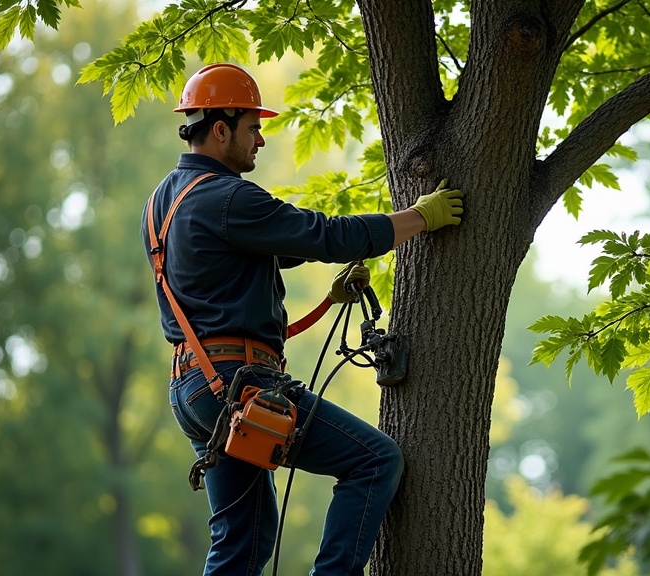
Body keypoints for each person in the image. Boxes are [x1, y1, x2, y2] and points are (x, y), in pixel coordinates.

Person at [142, 62, 464, 576]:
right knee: (374, 461)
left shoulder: (164, 201)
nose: (261, 141)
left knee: (243, 541)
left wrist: (329, 299)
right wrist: (419, 218)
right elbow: (323, 236)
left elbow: (263, 255)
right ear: (220, 128)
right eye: (253, 127)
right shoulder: (228, 197)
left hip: (194, 387)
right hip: (235, 384)